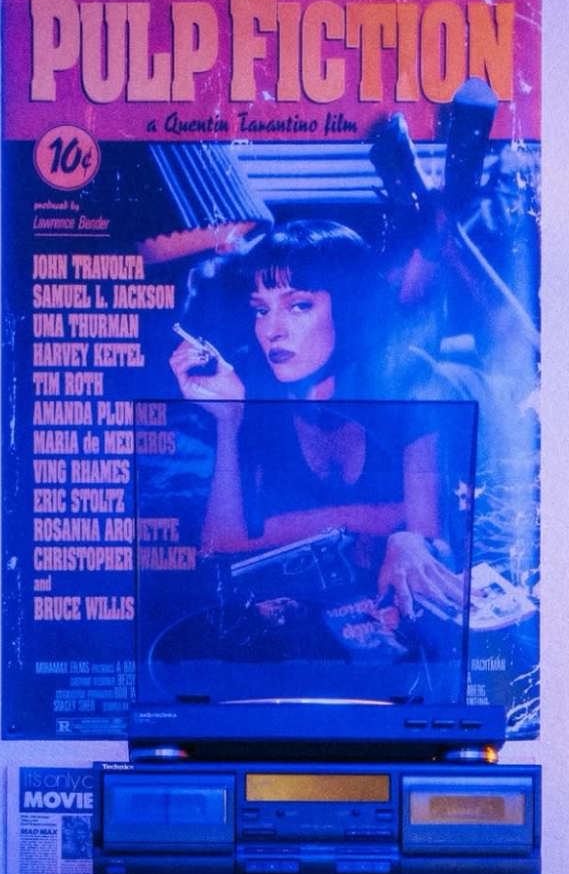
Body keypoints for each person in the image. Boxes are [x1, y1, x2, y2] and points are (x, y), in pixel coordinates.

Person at [165, 220, 463, 631]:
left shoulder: (410, 380)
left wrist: (403, 537)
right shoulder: (250, 388)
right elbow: (219, 549)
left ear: (349, 306)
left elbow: (431, 543)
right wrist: (228, 420)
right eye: (261, 310)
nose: (272, 331)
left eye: (298, 306)